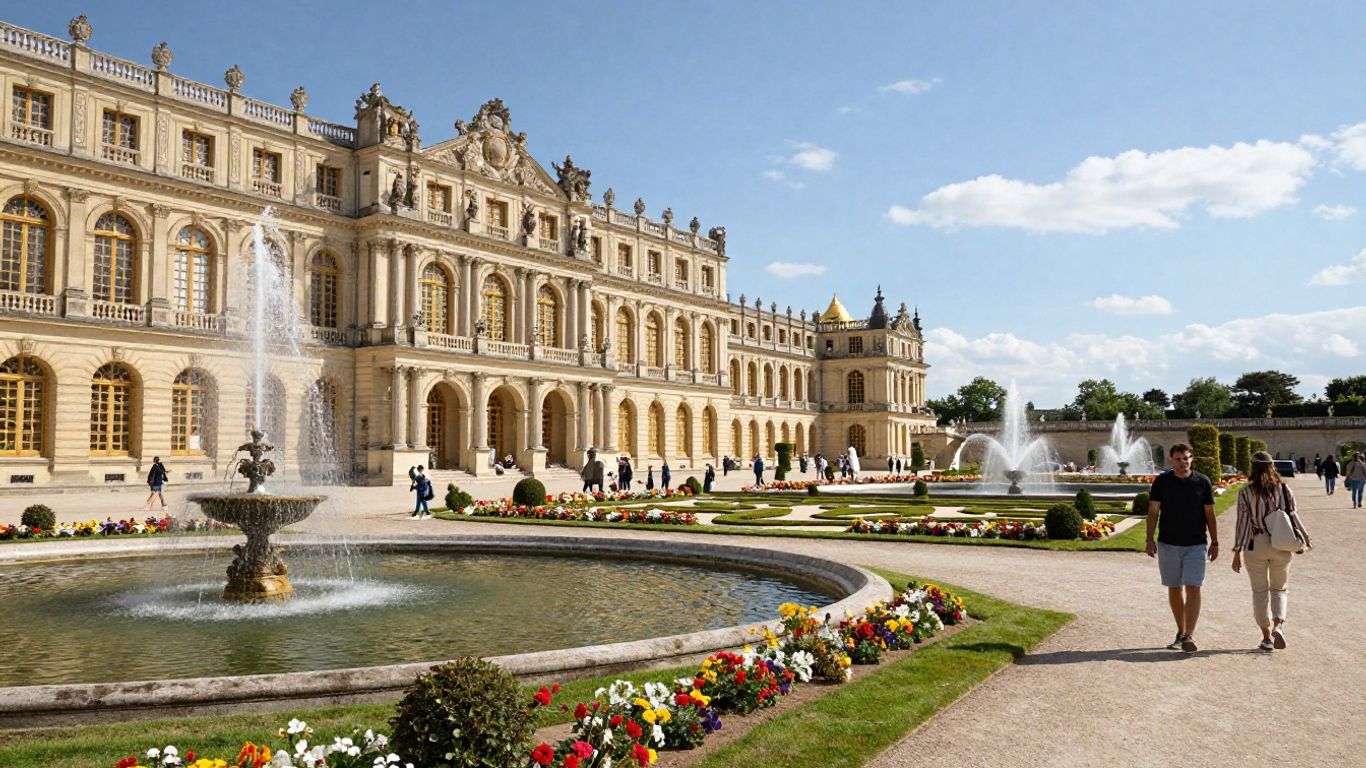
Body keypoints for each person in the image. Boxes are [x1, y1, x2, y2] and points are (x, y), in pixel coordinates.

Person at [1232, 451, 1311, 650]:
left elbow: (1242, 524)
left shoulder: (1245, 492)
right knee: (1279, 589)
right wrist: (1301, 540)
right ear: (1272, 466)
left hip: (1255, 544)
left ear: (1253, 467)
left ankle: (1266, 636)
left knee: (1259, 592)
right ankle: (1279, 626)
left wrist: (1236, 552)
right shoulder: (1284, 490)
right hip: (1281, 544)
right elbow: (1293, 517)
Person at [1146, 442, 1218, 653]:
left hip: (1196, 543)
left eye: (1186, 458)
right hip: (1168, 543)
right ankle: (1181, 630)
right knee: (1174, 587)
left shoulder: (1202, 482)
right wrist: (1149, 539)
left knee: (1193, 587)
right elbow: (1153, 513)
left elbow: (1210, 515)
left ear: (1191, 458)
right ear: (1171, 461)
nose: (1183, 462)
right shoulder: (1162, 482)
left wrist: (1215, 542)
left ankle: (1188, 635)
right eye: (1178, 459)